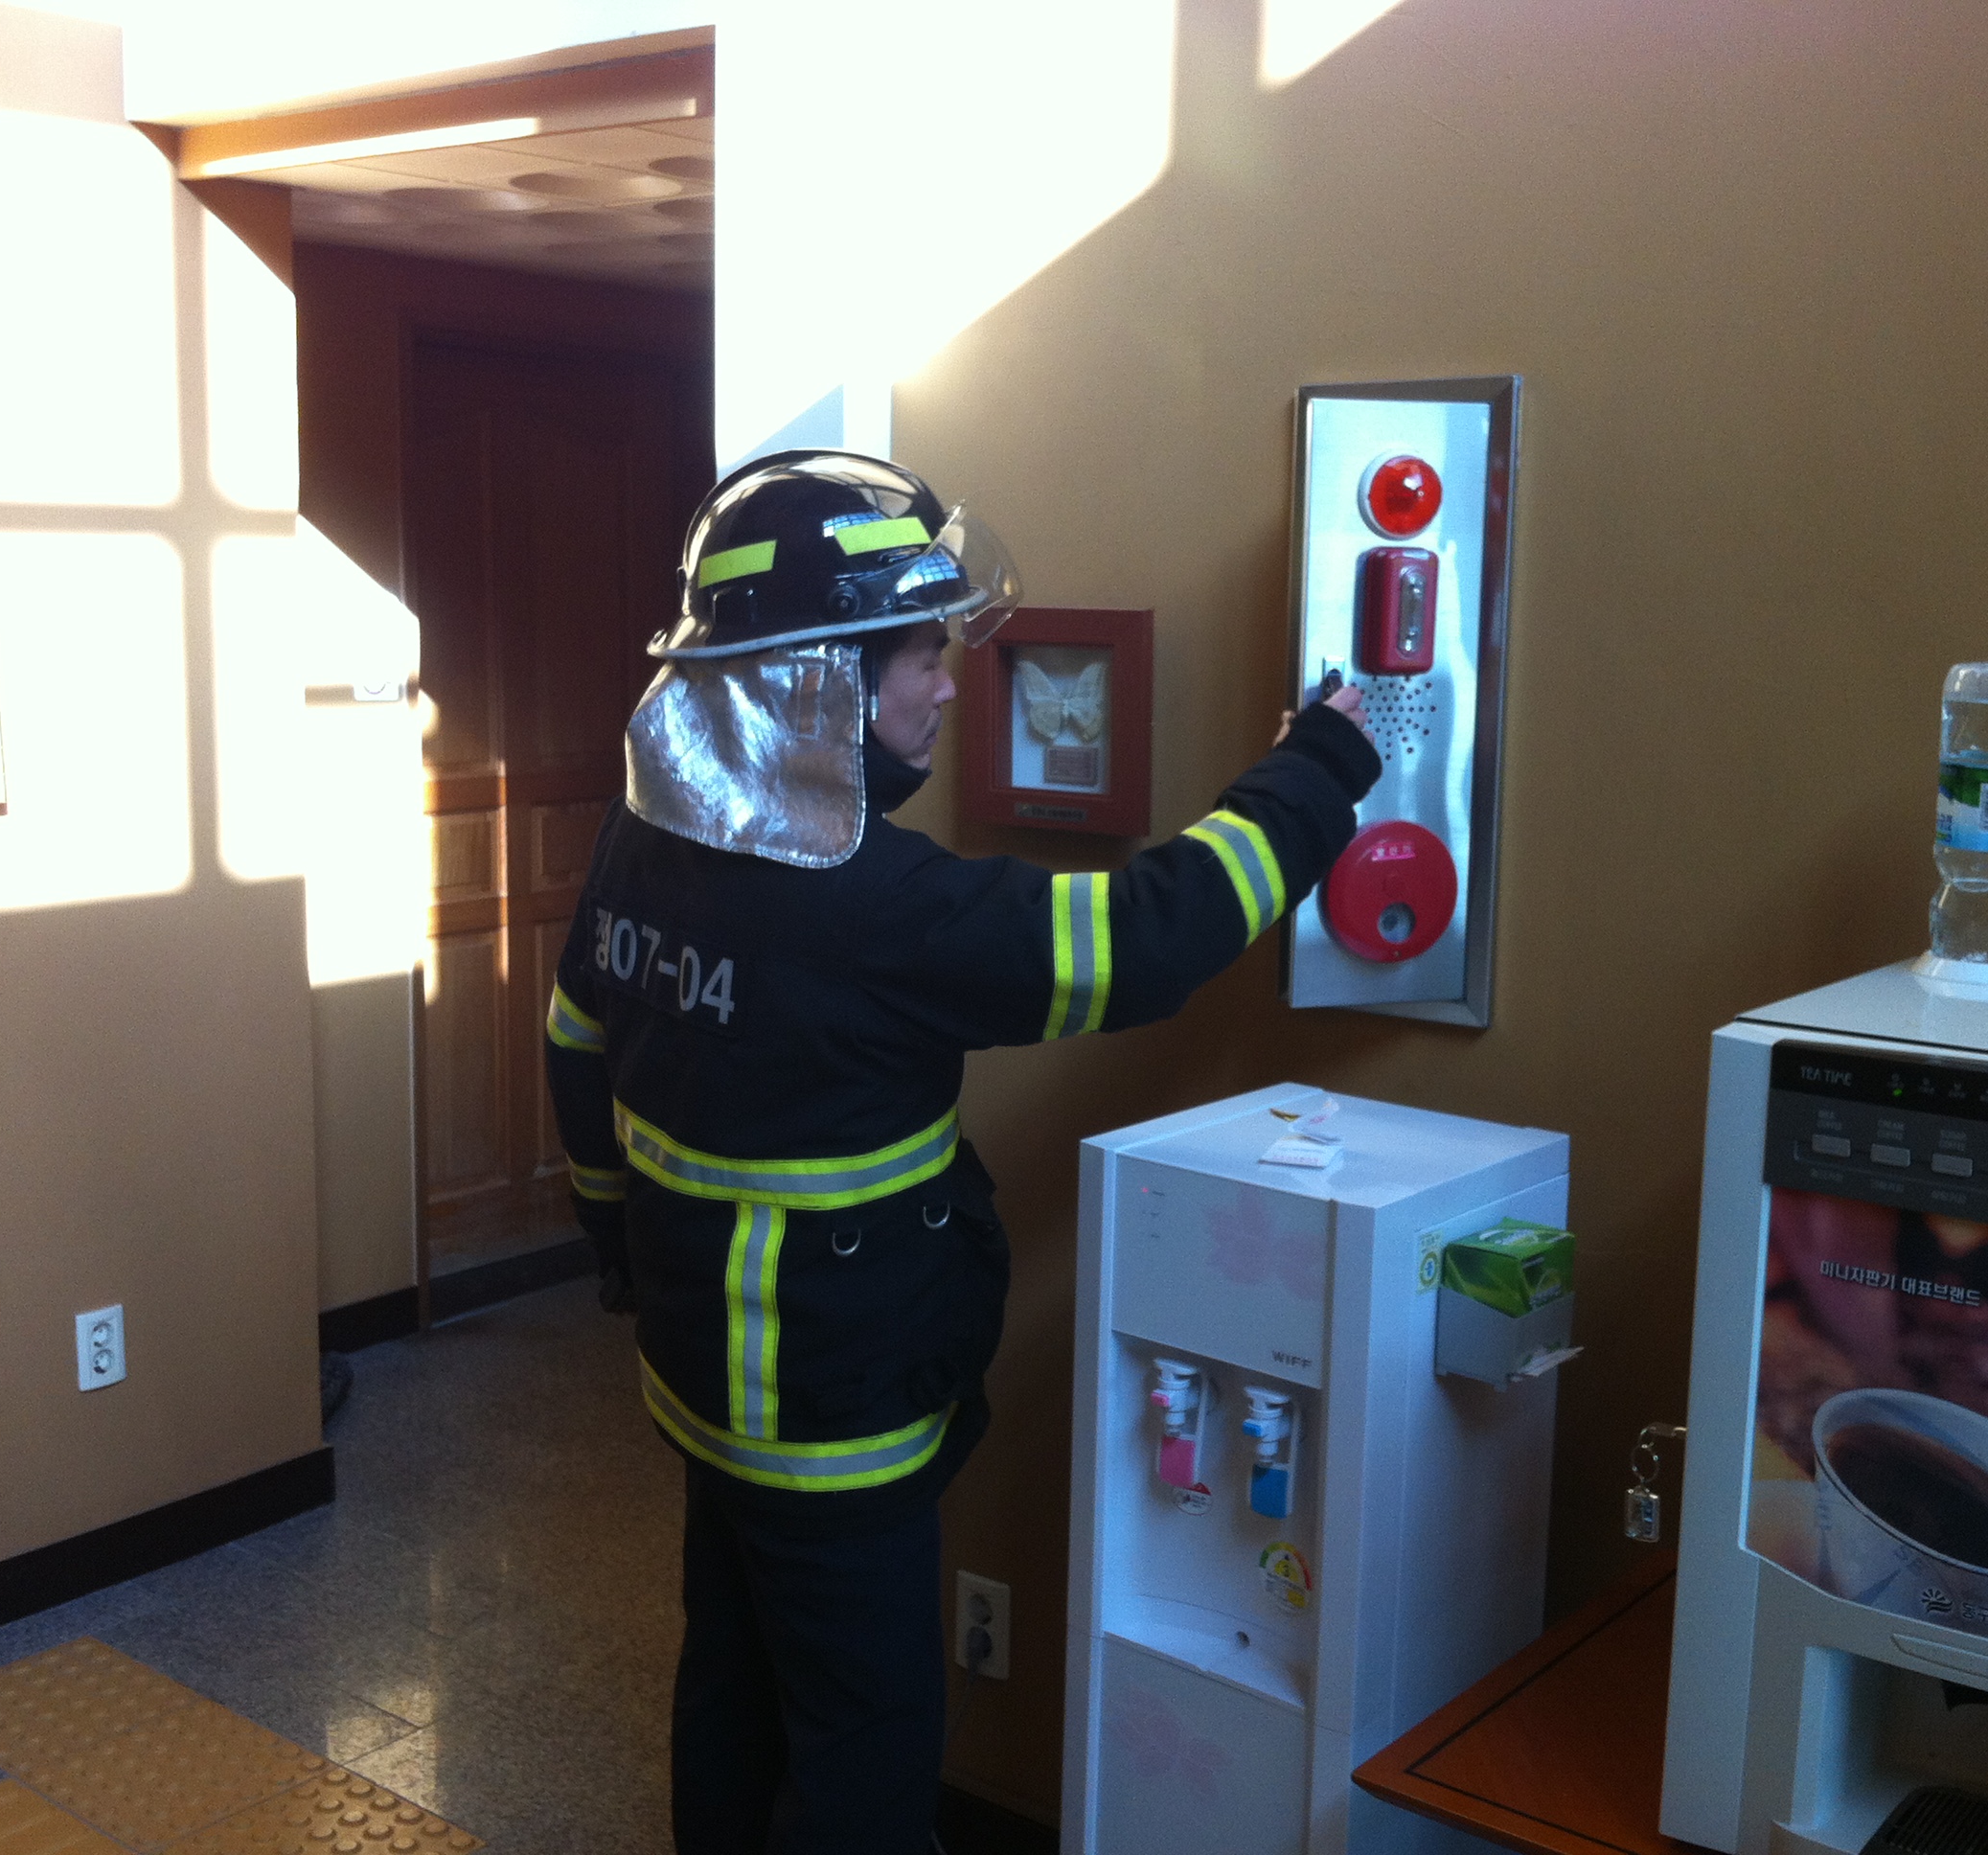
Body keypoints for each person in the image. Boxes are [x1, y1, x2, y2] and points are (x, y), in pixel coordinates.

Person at [543, 450, 1380, 1853]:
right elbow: (1145, 941)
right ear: (816, 683)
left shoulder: (643, 842)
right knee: (867, 1751)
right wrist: (1318, 770)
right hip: (833, 1428)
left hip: (699, 1382)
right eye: (922, 655)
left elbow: (573, 1043)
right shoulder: (875, 906)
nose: (948, 685)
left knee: (730, 1683)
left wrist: (615, 1240)